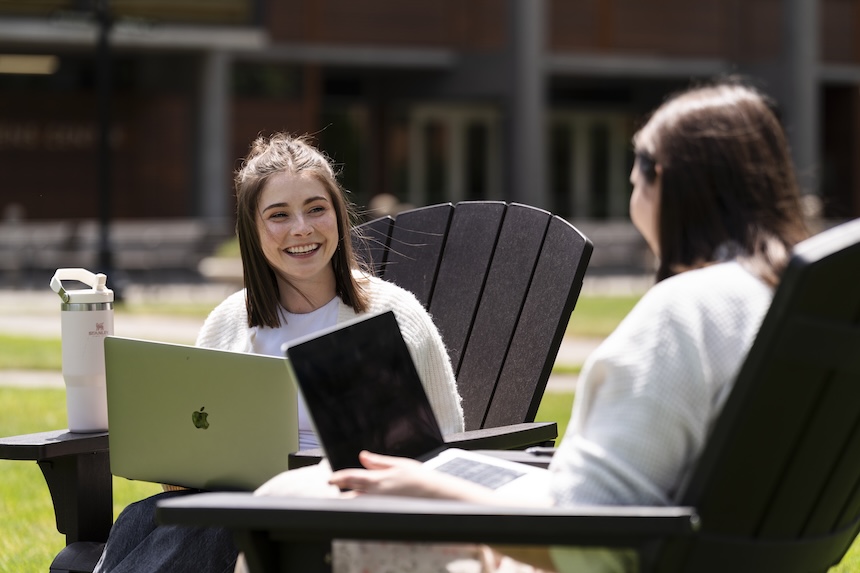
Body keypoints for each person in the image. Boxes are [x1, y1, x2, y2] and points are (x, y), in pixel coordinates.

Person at [247, 79, 810, 573]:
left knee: (288, 500)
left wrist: (431, 491)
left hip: (572, 551)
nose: (629, 182)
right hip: (669, 543)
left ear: (663, 180)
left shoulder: (685, 317)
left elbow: (587, 544)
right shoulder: (778, 304)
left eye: (637, 165)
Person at [93, 132, 465, 573]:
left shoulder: (393, 314)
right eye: (279, 215)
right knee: (142, 518)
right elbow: (198, 438)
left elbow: (446, 442)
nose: (301, 228)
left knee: (222, 522)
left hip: (346, 509)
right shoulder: (229, 321)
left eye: (316, 209)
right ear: (253, 230)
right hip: (237, 504)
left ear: (338, 215)